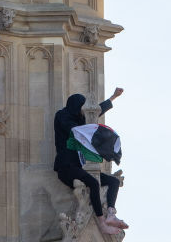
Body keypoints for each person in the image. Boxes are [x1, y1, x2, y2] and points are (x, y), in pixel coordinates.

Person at [54, 89, 127, 234]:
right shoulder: (62, 117)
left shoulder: (79, 120)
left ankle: (111, 214)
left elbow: (95, 112)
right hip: (65, 167)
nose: (83, 112)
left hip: (79, 167)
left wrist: (113, 97)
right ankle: (102, 223)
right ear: (76, 106)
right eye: (81, 108)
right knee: (94, 183)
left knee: (114, 182)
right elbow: (78, 129)